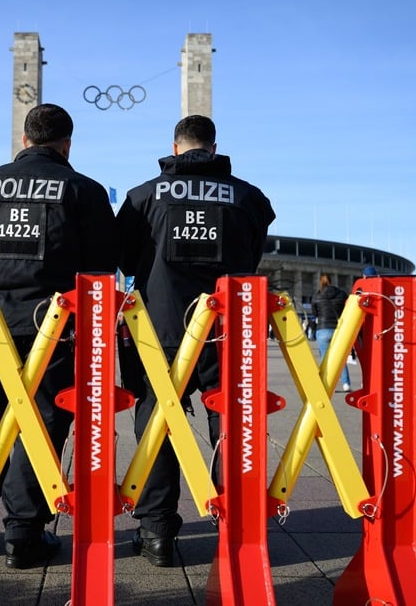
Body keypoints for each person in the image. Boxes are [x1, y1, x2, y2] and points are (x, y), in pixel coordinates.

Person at [0, 103, 117, 569]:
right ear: (67, 144)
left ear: (24, 140)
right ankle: (24, 532)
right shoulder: (82, 190)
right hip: (54, 325)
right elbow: (102, 263)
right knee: (42, 422)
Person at [116, 114, 276, 567]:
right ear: (214, 145)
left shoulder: (143, 196)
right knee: (230, 426)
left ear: (175, 145)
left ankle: (157, 533)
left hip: (158, 330)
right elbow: (251, 256)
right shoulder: (248, 197)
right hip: (228, 328)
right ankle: (239, 529)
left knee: (157, 424)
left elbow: (126, 259)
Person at [311, 273, 352, 391]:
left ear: (320, 282)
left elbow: (314, 313)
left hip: (322, 329)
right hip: (338, 329)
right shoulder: (341, 294)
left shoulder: (316, 295)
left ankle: (326, 384)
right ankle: (346, 384)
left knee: (325, 358)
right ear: (331, 280)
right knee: (340, 357)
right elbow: (347, 308)